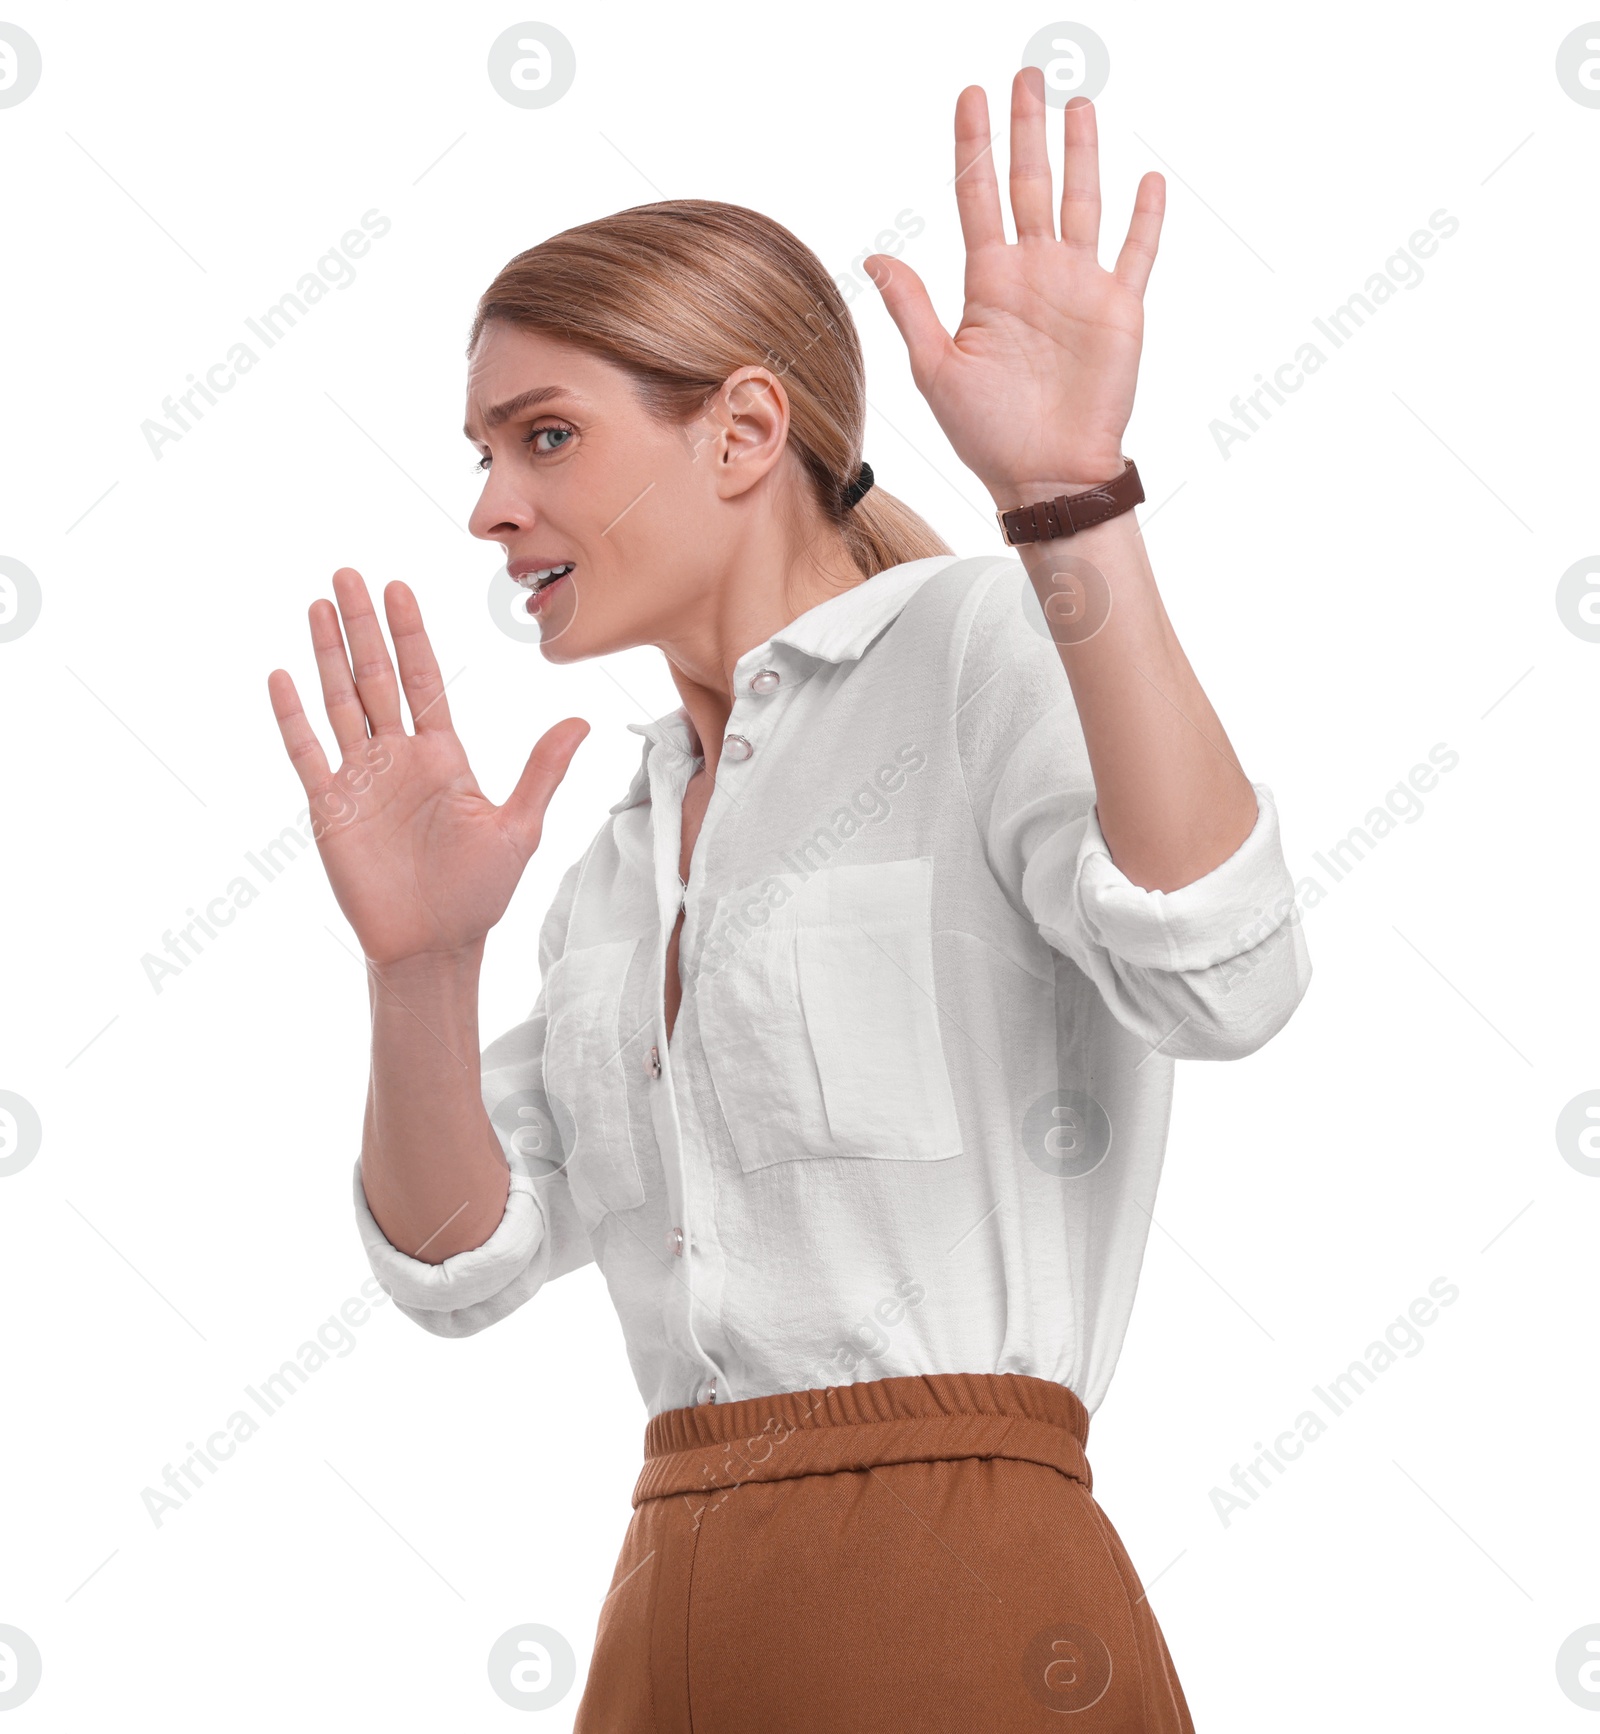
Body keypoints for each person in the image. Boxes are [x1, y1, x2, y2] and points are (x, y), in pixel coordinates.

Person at [267, 71, 1310, 1734]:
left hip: (958, 1607)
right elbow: (463, 1261)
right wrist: (423, 965)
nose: (487, 506)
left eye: (546, 437)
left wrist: (1067, 511)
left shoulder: (976, 648)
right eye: (480, 452)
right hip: (669, 1604)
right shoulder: (625, 848)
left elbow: (1224, 973)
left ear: (746, 431)